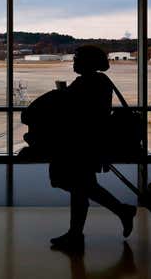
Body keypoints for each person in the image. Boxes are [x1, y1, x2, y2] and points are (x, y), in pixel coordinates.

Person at [44, 45, 137, 251]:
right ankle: (76, 233)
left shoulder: (90, 83)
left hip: (83, 143)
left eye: (77, 59)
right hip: (88, 142)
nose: (74, 62)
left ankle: (120, 211)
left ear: (87, 62)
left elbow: (79, 110)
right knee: (81, 188)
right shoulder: (98, 82)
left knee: (77, 185)